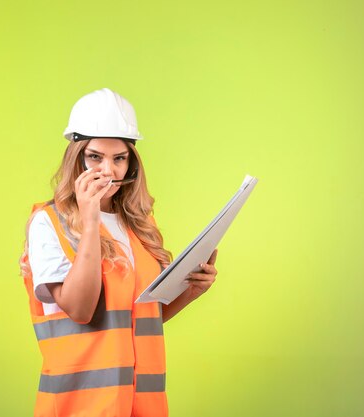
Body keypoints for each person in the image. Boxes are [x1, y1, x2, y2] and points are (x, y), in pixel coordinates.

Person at [19, 87, 218, 417]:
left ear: (132, 163)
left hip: (142, 405)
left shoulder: (137, 225)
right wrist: (90, 217)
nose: (108, 170)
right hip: (81, 406)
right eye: (95, 157)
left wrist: (191, 291)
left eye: (119, 158)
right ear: (76, 157)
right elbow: (81, 311)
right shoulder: (48, 222)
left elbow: (138, 318)